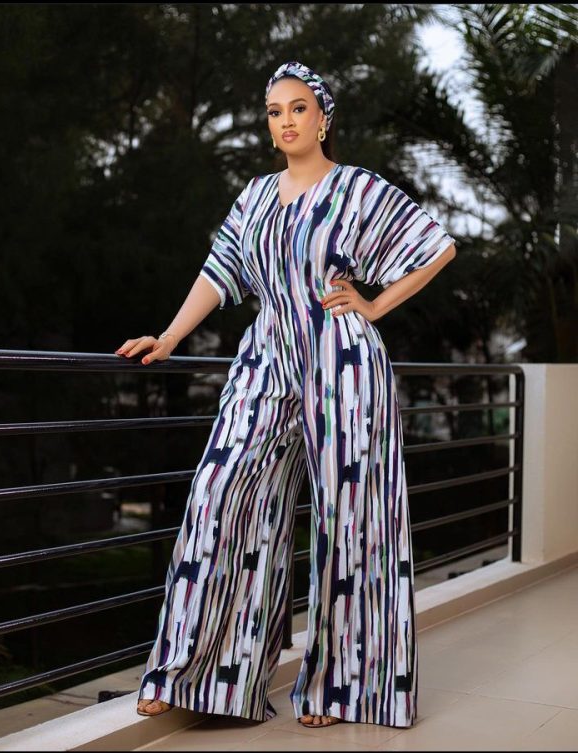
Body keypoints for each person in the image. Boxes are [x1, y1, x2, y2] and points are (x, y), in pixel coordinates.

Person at [115, 60, 456, 730]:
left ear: (323, 118)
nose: (287, 121)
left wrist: (374, 305)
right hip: (267, 357)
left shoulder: (356, 188)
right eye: (275, 112)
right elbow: (219, 272)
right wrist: (171, 337)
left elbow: (436, 248)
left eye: (299, 108)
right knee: (220, 495)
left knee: (350, 521)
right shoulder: (254, 196)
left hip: (343, 361)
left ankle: (341, 688)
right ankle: (194, 674)